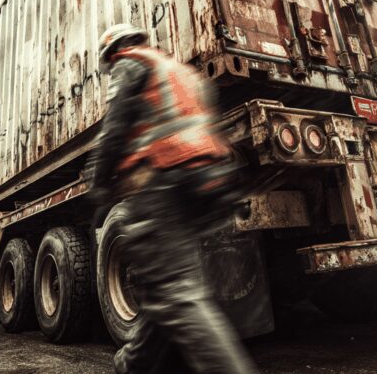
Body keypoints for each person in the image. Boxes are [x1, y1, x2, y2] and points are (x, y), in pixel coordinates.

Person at [85, 23, 258, 374]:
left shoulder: (129, 64)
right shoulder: (179, 71)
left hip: (162, 184)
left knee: (176, 291)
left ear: (112, 52)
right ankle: (133, 365)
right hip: (204, 184)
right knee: (166, 288)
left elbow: (115, 127)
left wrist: (99, 182)